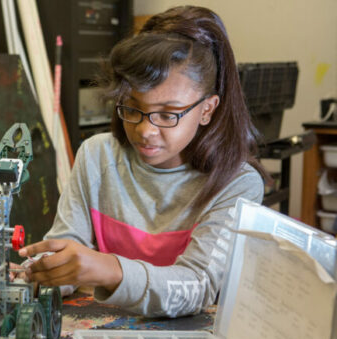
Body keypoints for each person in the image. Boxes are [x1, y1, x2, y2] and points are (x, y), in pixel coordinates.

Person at [18, 6, 268, 318]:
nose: (146, 130)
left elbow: (197, 285)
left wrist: (112, 270)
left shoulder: (237, 183)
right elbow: (67, 245)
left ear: (208, 109)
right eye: (132, 108)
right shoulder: (97, 156)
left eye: (168, 114)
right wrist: (38, 274)